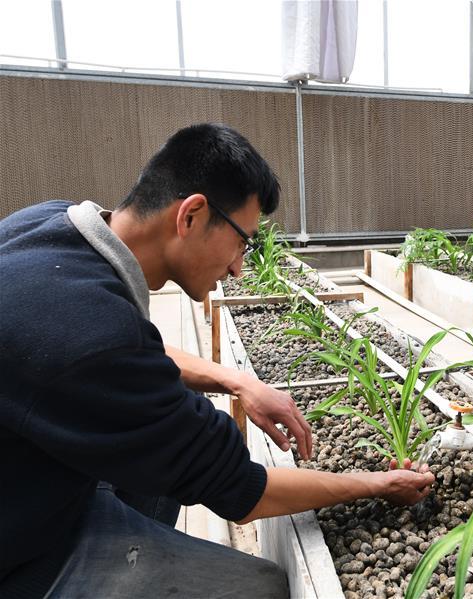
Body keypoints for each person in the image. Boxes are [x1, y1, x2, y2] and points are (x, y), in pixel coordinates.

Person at [0, 123, 434, 598]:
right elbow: (242, 491)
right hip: (25, 554)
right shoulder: (96, 336)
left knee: (163, 464)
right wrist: (374, 484)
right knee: (261, 588)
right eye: (242, 241)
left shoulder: (48, 226)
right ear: (191, 215)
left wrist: (237, 380)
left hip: (35, 478)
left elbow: (102, 351)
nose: (238, 268)